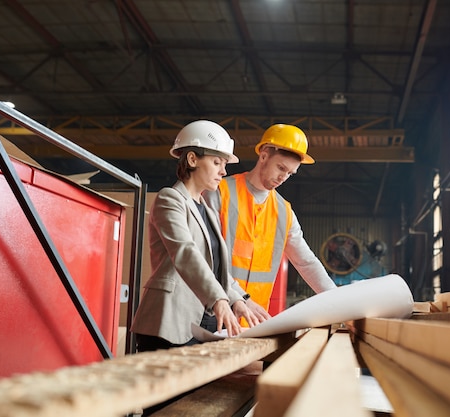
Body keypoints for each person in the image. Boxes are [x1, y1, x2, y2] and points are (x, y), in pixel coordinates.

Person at [131, 120, 259, 354]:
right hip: (169, 322)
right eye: (216, 162)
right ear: (192, 159)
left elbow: (214, 268)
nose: (223, 171)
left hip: (201, 323)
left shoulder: (207, 211)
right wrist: (219, 300)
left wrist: (238, 300)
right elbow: (185, 253)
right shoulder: (169, 199)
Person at [205, 123, 337, 323]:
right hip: (212, 312)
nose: (283, 178)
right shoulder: (219, 192)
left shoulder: (284, 212)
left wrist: (339, 301)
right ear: (264, 155)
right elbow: (206, 257)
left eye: (290, 173)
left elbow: (306, 262)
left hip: (252, 321)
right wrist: (239, 298)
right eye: (281, 168)